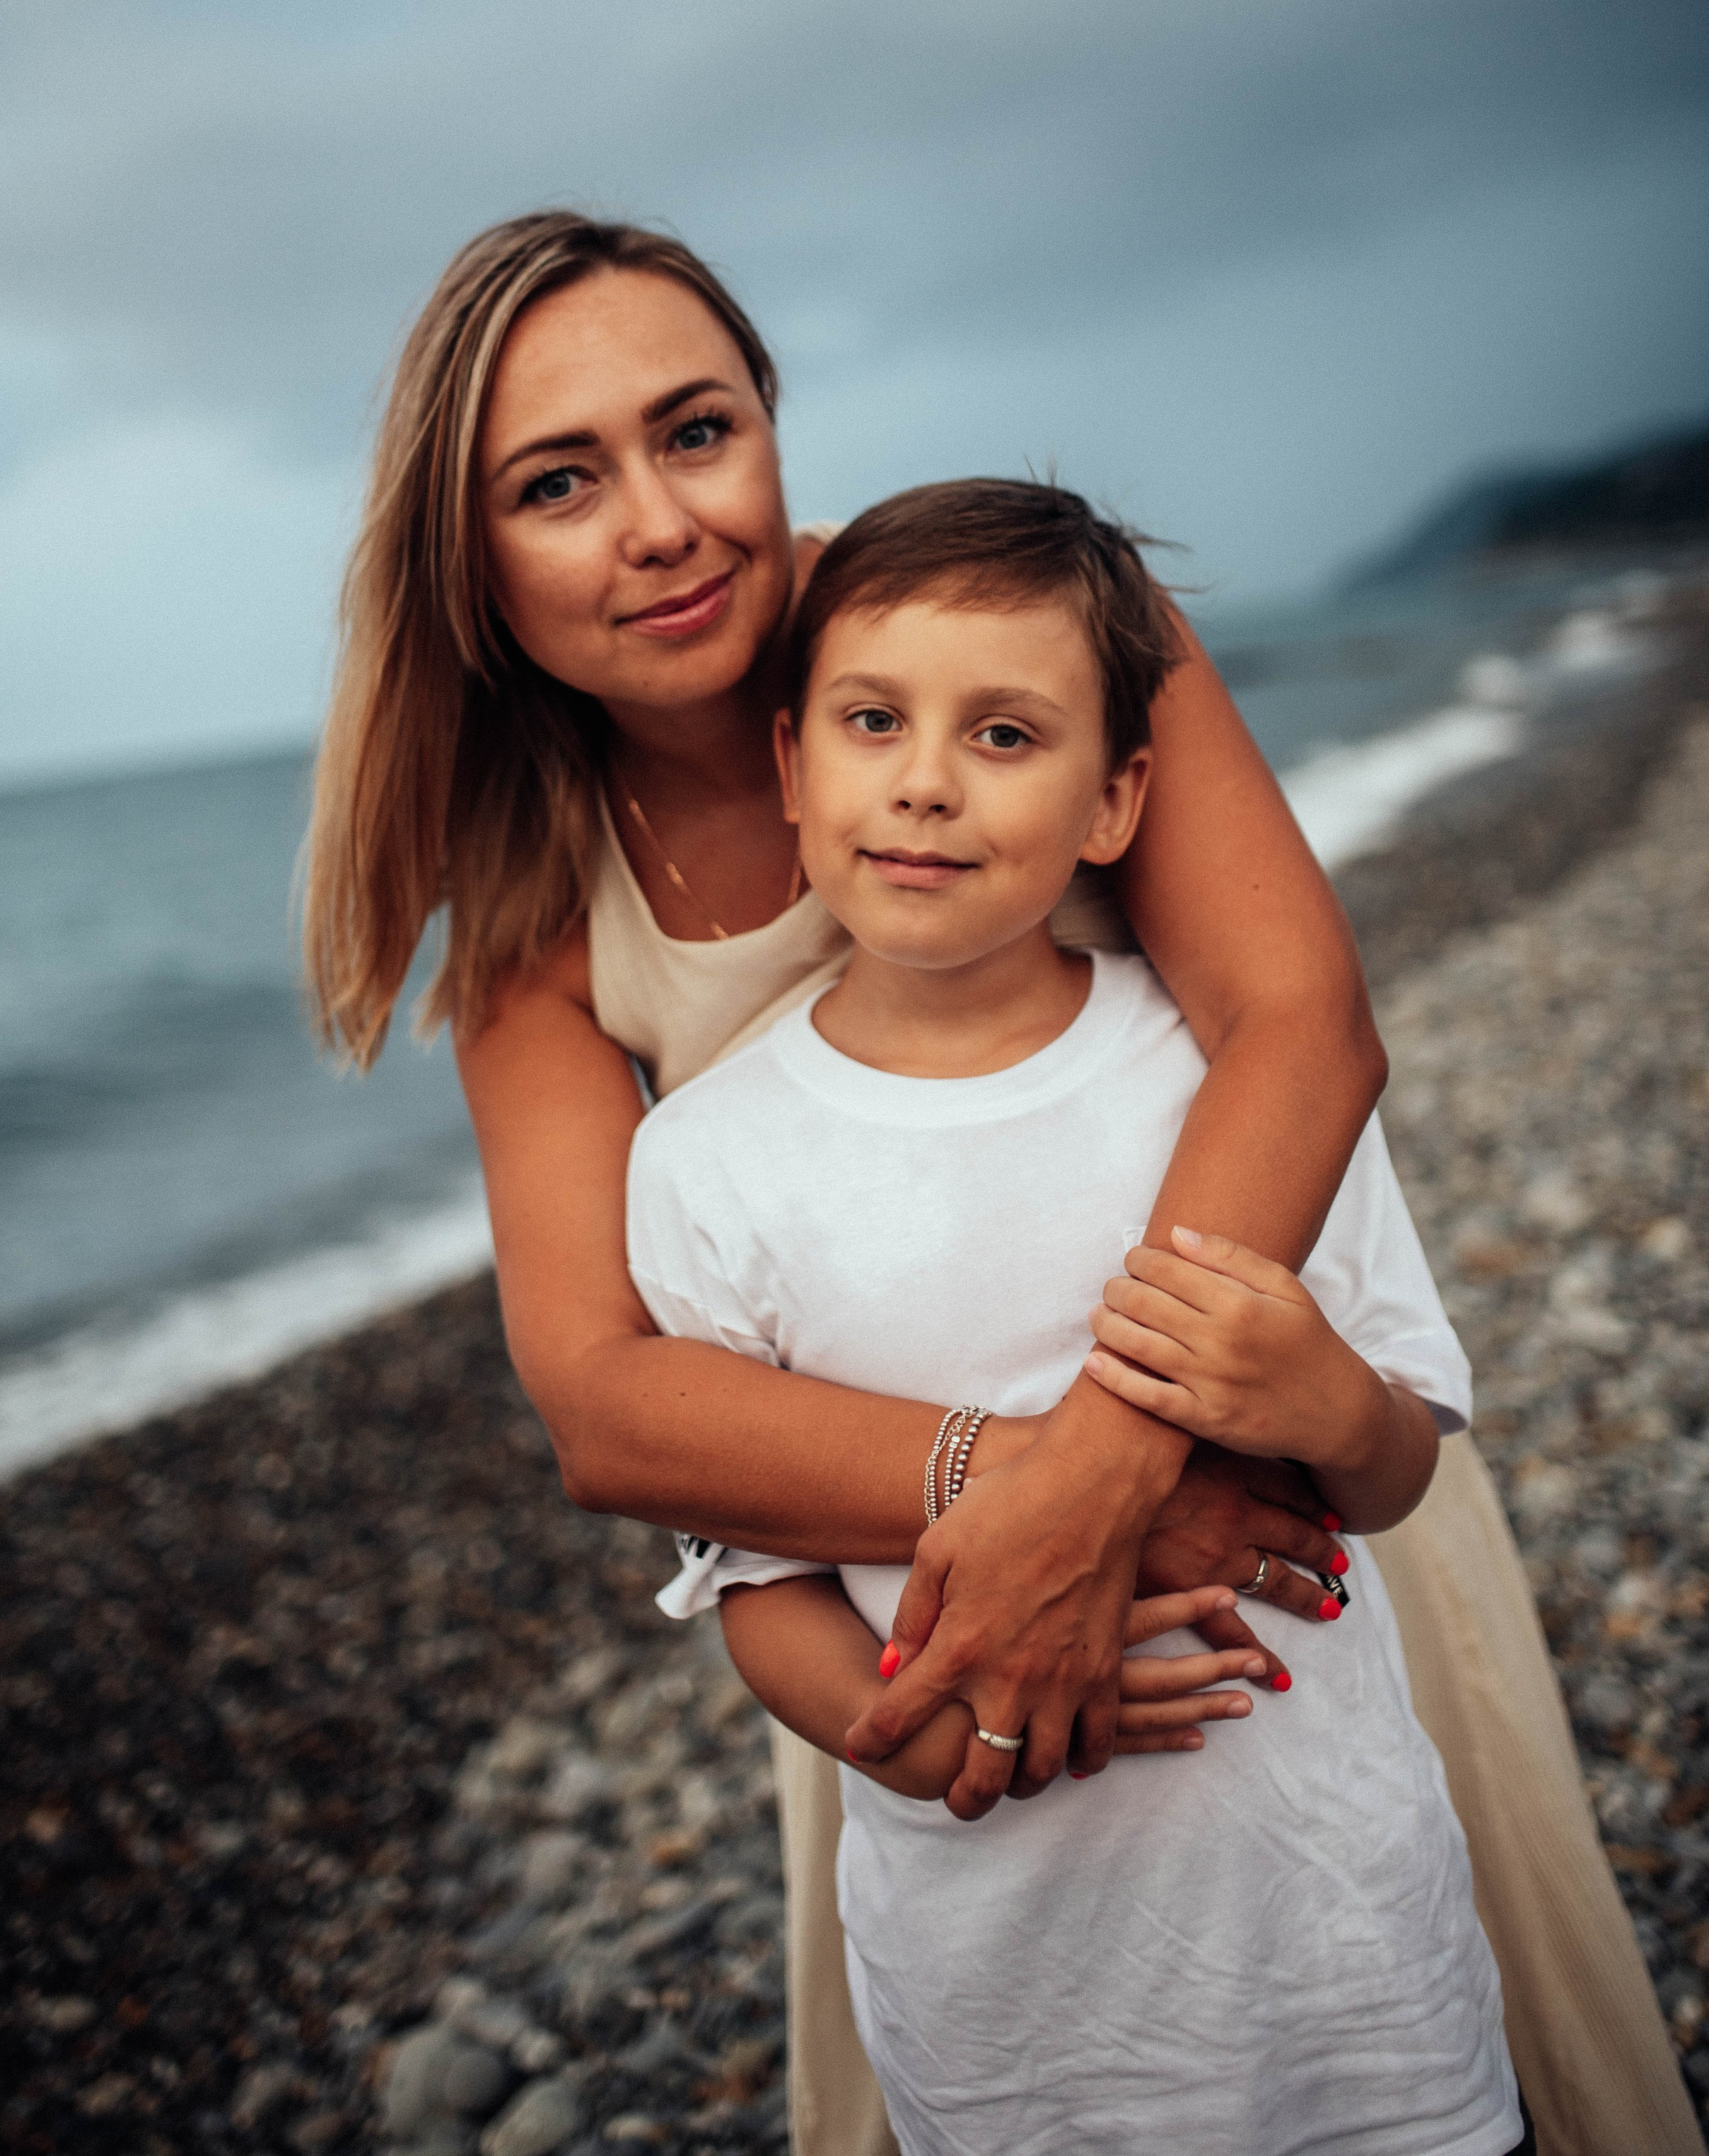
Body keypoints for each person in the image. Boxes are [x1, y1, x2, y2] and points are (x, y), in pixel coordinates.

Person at [303, 210, 1697, 2156]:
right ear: (474, 564)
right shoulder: (538, 892)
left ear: (772, 427)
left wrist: (1126, 1468)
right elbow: (609, 1400)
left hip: (1252, 1488)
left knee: (1416, 2039)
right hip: (906, 1604)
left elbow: (1301, 1021)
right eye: (558, 482)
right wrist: (1010, 1507)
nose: (661, 523)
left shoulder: (1007, 624)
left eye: (695, 430)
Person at [627, 478, 1523, 2155]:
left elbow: (1392, 1464)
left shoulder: (1216, 1082)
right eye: (873, 720)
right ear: (789, 770)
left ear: (1116, 800)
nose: (923, 780)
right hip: (1006, 1993)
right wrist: (918, 1739)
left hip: (1342, 1942)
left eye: (1005, 735)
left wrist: (1318, 1393)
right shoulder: (706, 1165)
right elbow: (755, 1588)